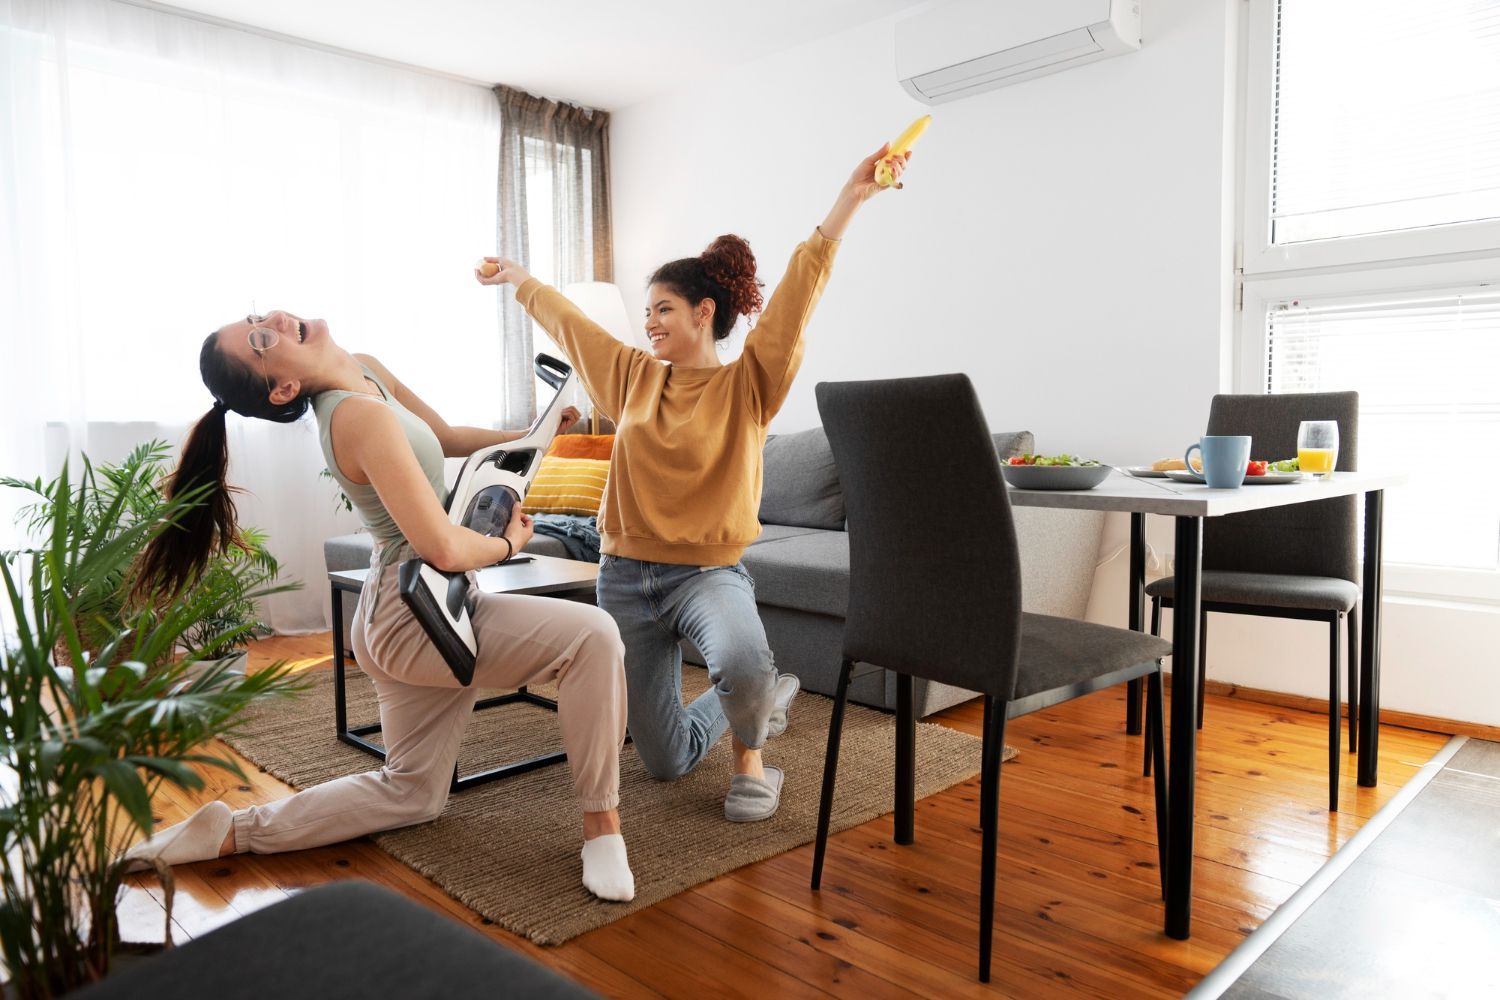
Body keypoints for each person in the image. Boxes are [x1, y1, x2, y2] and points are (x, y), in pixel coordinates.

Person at [124, 310, 635, 901]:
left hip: (408, 608)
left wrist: (534, 435)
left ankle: (229, 831)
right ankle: (602, 828)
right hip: (414, 616)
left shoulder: (364, 370)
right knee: (593, 636)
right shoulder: (354, 418)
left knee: (412, 794)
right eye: (263, 338)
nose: (278, 320)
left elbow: (445, 437)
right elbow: (443, 548)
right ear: (283, 388)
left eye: (260, 318)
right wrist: (509, 544)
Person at [477, 143, 908, 821]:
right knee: (666, 761)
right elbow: (571, 326)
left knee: (741, 663)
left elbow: (799, 294)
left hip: (707, 575)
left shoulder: (750, 383)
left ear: (704, 312)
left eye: (663, 309)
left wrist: (851, 198)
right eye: (647, 311)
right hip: (624, 579)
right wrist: (521, 278)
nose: (649, 323)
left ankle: (752, 756)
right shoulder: (631, 377)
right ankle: (764, 697)